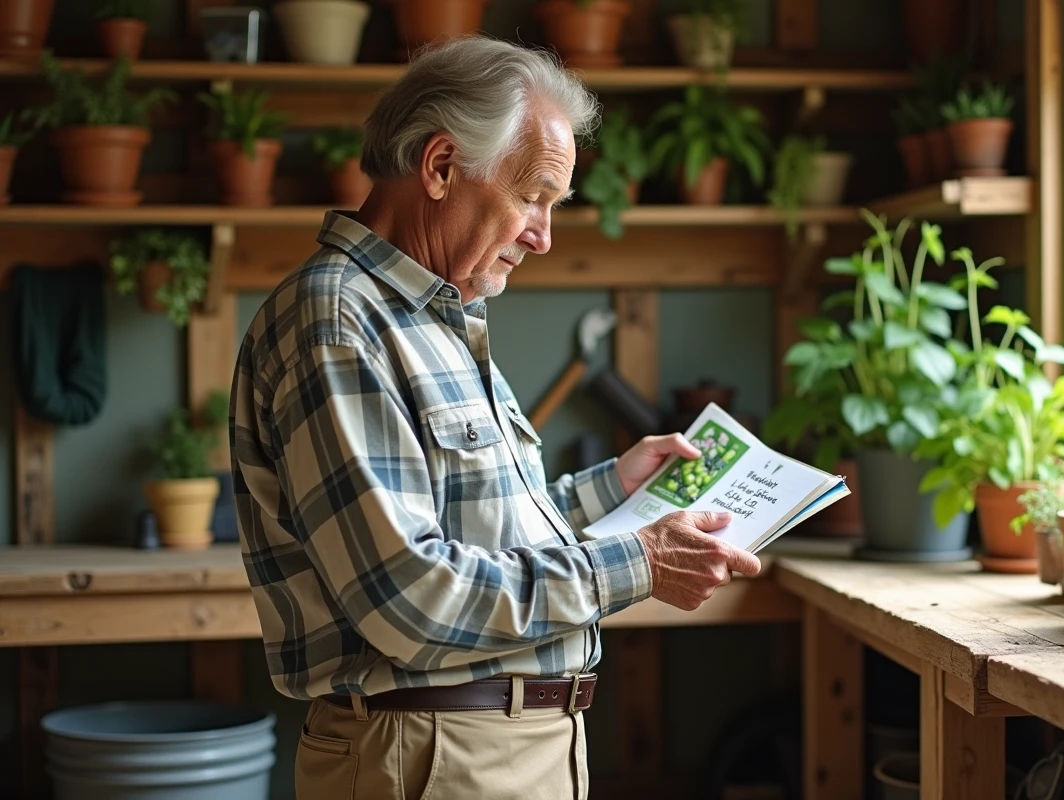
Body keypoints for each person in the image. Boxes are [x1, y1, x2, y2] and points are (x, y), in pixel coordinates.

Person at [229, 35, 762, 800]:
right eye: (532, 196)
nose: (544, 235)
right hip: (435, 755)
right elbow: (409, 596)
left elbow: (474, 532)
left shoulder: (435, 315)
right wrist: (637, 563)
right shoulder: (339, 320)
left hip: (488, 751)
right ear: (442, 167)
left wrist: (609, 488)